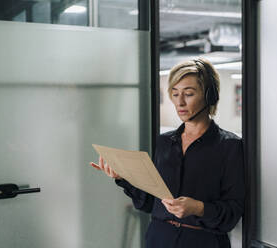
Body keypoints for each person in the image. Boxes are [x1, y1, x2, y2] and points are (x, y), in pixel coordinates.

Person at [89, 58, 245, 248]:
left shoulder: (230, 146)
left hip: (203, 242)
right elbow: (148, 203)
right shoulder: (164, 142)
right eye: (175, 93)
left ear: (210, 96)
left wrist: (197, 207)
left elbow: (233, 211)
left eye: (188, 93)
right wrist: (123, 177)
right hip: (159, 238)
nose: (179, 102)